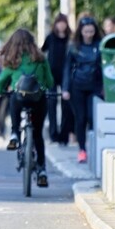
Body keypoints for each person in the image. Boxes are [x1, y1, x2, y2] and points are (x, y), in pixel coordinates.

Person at [0, 28, 54, 187]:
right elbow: (50, 81)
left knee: (13, 97)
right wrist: (44, 86)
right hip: (38, 100)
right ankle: (41, 170)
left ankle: (14, 134)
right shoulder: (41, 59)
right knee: (38, 135)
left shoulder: (13, 60)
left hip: (20, 100)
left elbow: (0, 82)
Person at [62, 16, 104, 163]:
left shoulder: (100, 45)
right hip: (77, 86)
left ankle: (94, 147)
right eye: (86, 32)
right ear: (81, 31)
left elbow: (103, 67)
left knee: (93, 117)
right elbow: (67, 68)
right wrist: (65, 88)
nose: (89, 34)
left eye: (91, 31)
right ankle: (82, 150)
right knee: (80, 118)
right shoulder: (74, 46)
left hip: (94, 87)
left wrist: (104, 87)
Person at [41, 13, 75, 145]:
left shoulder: (70, 39)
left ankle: (64, 134)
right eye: (59, 23)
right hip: (52, 74)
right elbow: (42, 50)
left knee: (66, 105)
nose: (61, 25)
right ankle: (53, 134)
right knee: (51, 103)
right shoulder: (50, 37)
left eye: (63, 23)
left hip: (66, 74)